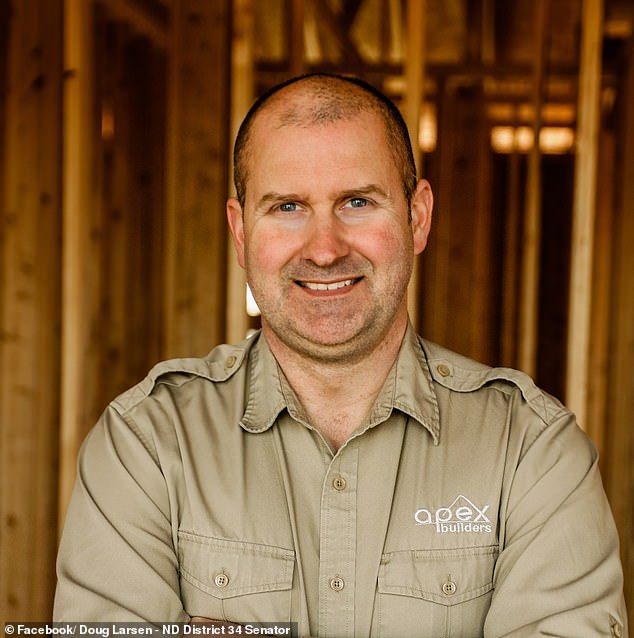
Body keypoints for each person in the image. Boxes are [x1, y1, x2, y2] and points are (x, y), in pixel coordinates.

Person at [54, 73, 628, 637]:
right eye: (286, 207)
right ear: (240, 232)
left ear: (417, 216)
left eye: (357, 201)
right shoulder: (147, 445)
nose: (324, 249)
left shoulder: (531, 452)